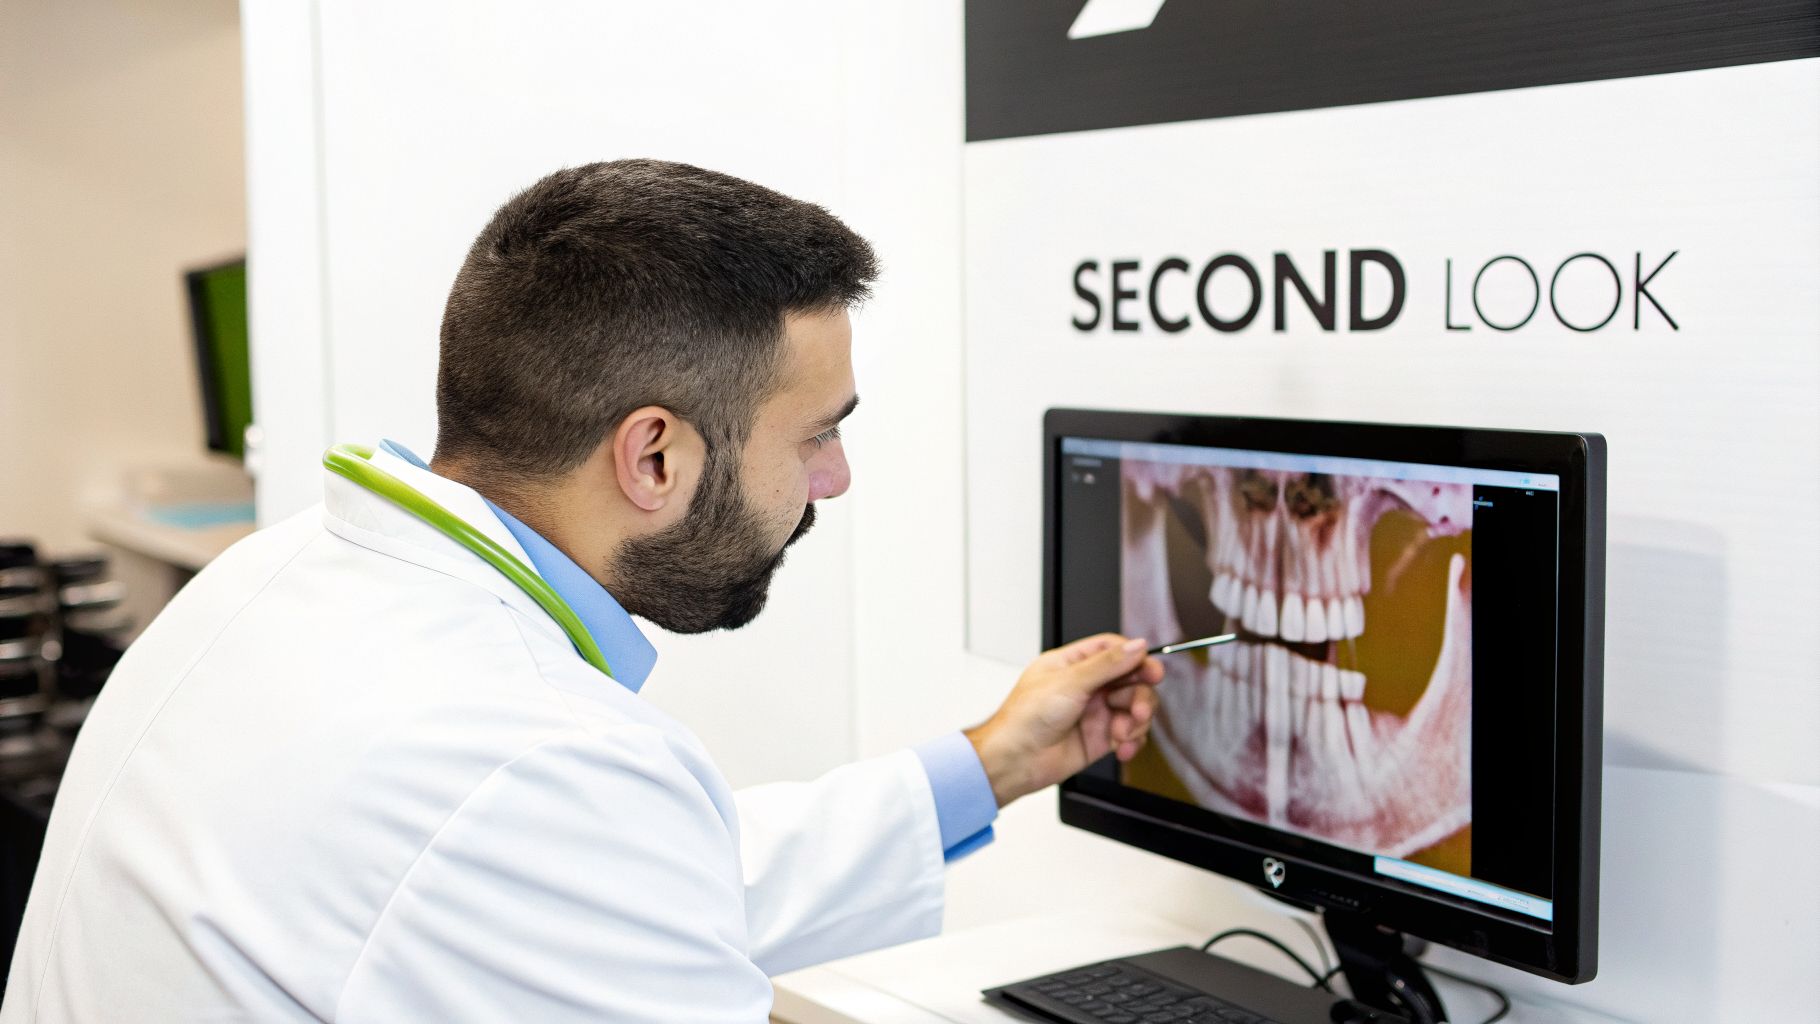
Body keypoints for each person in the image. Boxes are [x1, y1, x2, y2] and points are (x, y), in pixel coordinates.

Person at [1, 159, 1162, 1022]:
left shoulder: (284, 579)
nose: (834, 479)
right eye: (815, 435)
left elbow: (636, 881)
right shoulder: (526, 756)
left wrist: (995, 759)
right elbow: (578, 850)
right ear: (653, 456)